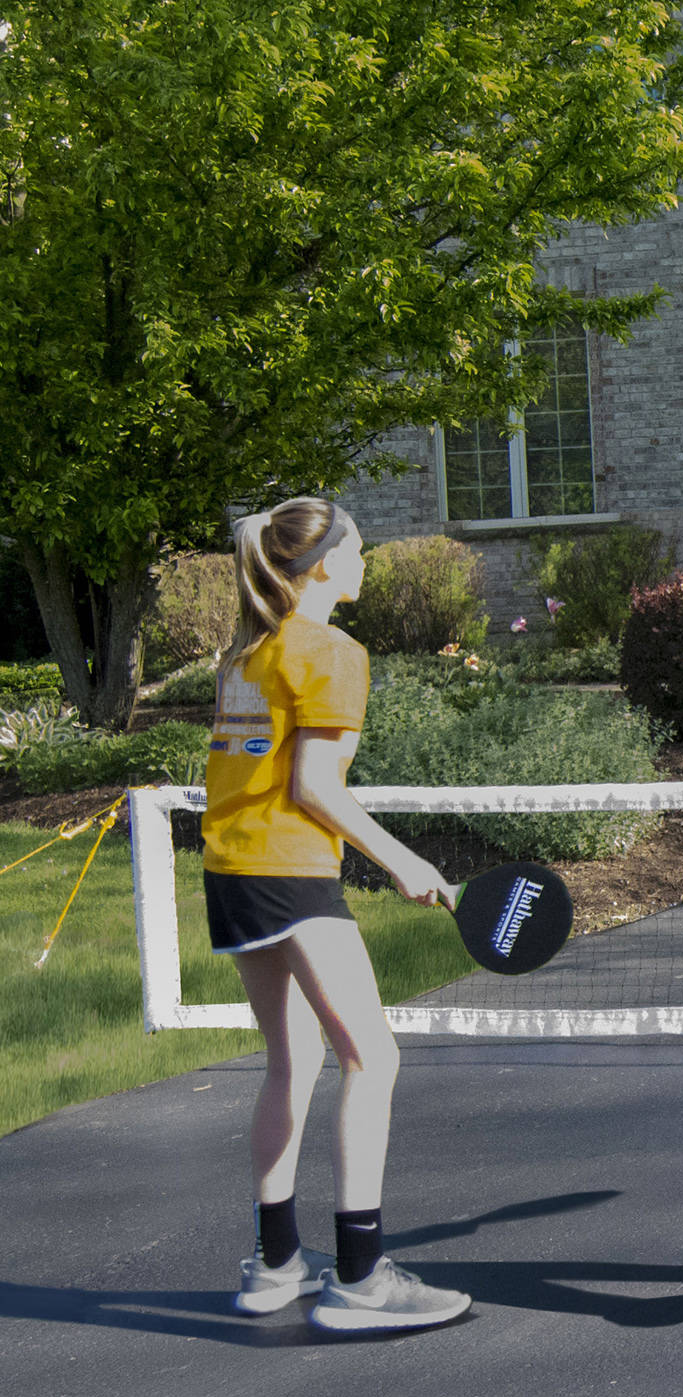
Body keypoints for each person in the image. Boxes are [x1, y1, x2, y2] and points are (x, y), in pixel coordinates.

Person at [204, 499, 471, 1333]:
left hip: (231, 871)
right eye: (359, 546)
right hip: (287, 871)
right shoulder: (330, 650)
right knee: (372, 1059)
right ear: (322, 563)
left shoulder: (246, 653)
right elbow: (314, 786)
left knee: (294, 1060)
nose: (367, 559)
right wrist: (404, 861)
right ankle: (359, 1279)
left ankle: (275, 1264)